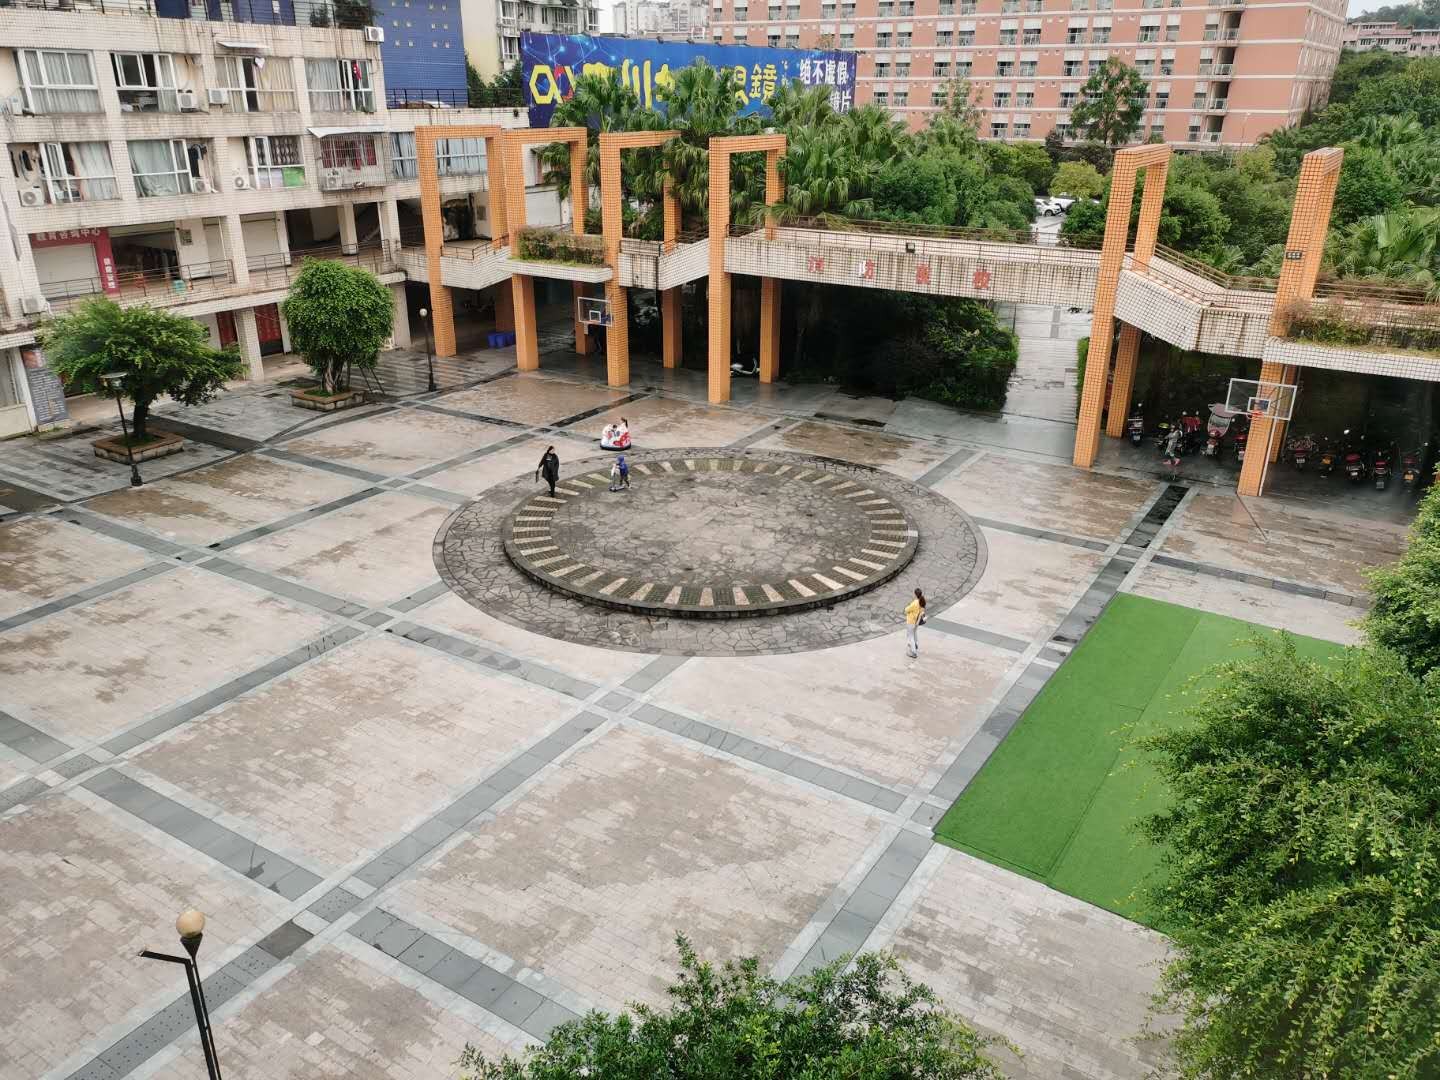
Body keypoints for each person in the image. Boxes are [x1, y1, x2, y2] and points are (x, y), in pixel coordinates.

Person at [904, 587, 926, 658]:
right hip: (917, 621)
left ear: (915, 594)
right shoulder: (922, 601)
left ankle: (914, 652)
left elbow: (906, 610)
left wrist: (907, 607)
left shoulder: (915, 603)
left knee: (911, 636)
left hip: (911, 621)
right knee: (914, 633)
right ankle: (916, 644)